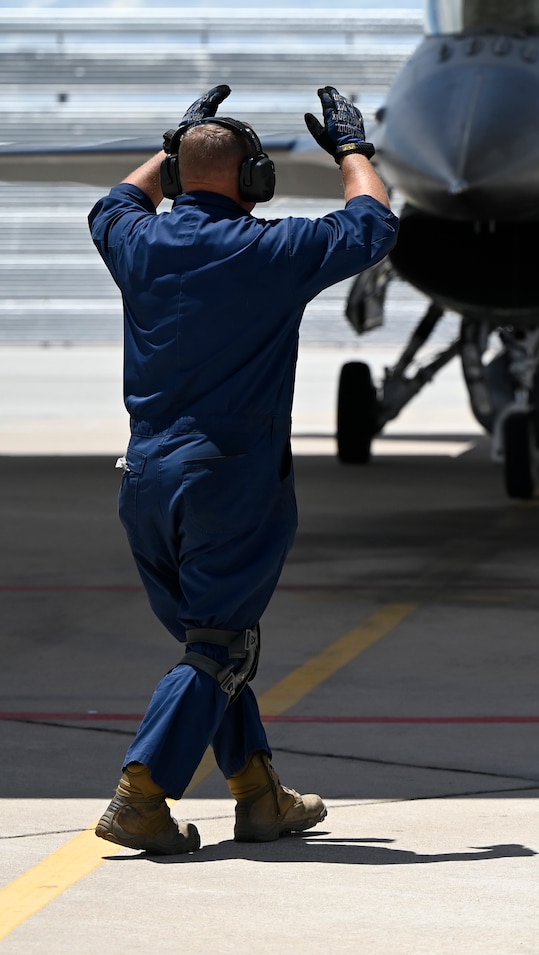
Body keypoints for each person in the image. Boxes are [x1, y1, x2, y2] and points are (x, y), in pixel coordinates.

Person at [87, 84, 395, 854]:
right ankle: (142, 792)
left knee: (211, 647)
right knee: (220, 649)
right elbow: (375, 221)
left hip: (145, 479)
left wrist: (177, 141)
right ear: (254, 179)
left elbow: (116, 200)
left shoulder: (136, 241)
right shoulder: (269, 251)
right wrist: (353, 149)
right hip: (229, 480)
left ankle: (260, 796)